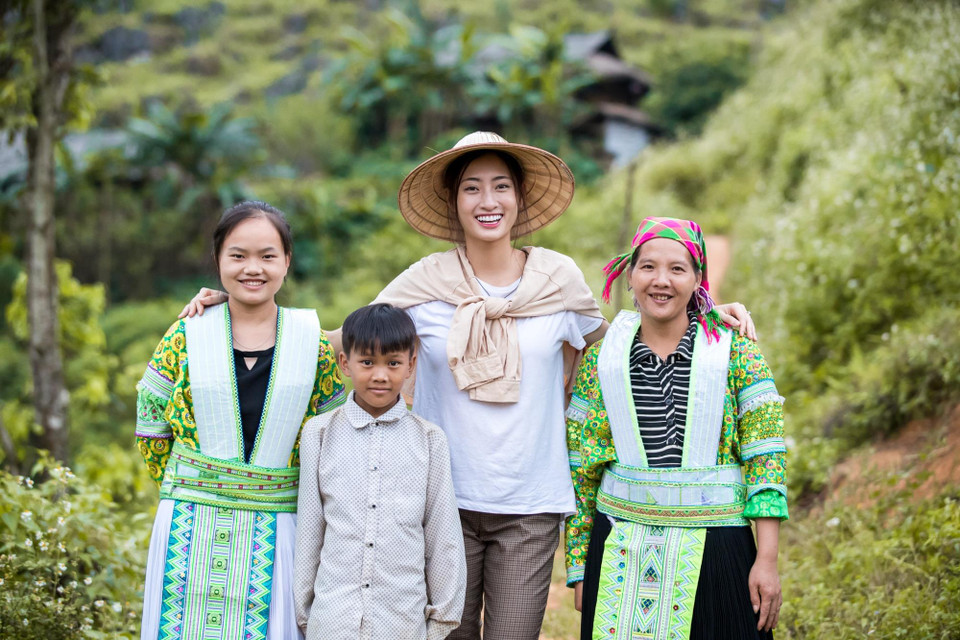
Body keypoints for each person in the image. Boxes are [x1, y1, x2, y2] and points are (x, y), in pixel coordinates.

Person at [181, 132, 756, 639]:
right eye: (472, 188)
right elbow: (344, 342)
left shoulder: (558, 280)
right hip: (441, 501)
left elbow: (623, 344)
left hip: (530, 504)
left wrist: (706, 309)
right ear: (454, 203)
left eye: (500, 186)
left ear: (519, 199)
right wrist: (236, 306)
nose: (488, 201)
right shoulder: (423, 282)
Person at [564, 216, 786, 640]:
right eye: (647, 267)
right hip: (619, 551)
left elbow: (767, 458)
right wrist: (579, 563)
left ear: (698, 277)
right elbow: (581, 466)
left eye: (677, 269)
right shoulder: (602, 360)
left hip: (721, 548)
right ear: (630, 274)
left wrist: (768, 559)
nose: (660, 281)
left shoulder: (736, 353)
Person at [136, 201, 346, 640]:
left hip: (280, 528)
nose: (254, 268)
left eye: (268, 256)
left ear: (287, 261)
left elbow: (335, 439)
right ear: (217, 261)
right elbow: (151, 420)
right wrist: (195, 484)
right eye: (238, 256)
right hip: (187, 527)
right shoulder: (187, 334)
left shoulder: (312, 343)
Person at [292, 303, 466, 639]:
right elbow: (310, 530)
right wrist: (308, 615)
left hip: (402, 622)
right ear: (345, 363)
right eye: (367, 362)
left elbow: (442, 535)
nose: (380, 375)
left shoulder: (430, 440)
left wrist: (440, 622)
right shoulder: (319, 433)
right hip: (332, 621)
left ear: (411, 365)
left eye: (393, 363)